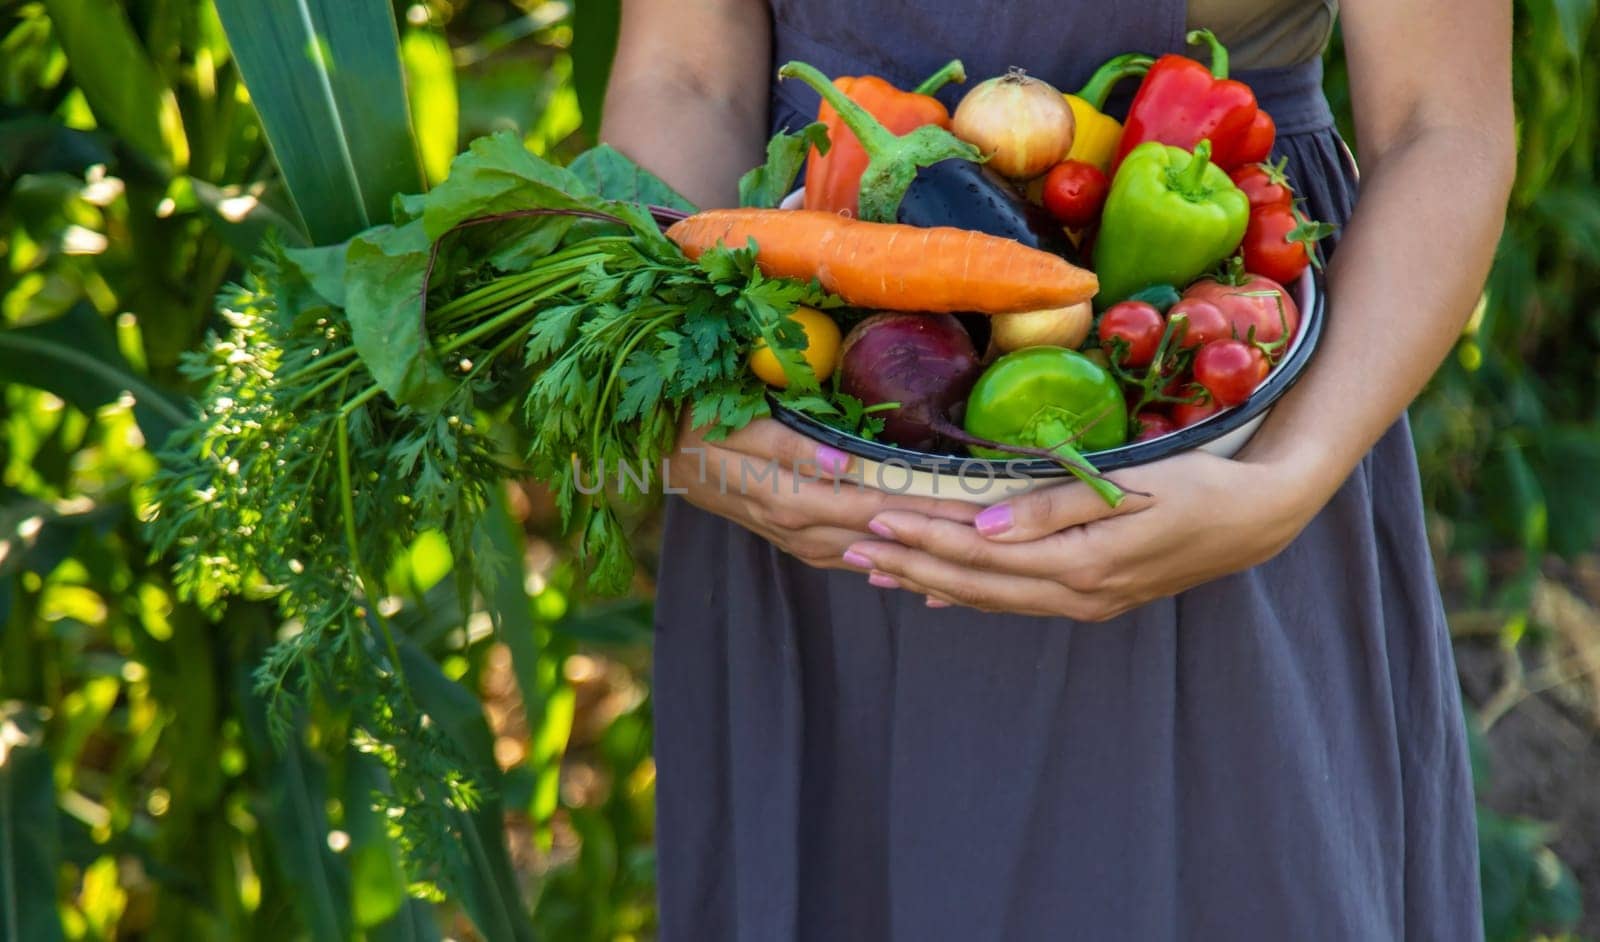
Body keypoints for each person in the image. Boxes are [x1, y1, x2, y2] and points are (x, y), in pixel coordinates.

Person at [601, 0, 1514, 937]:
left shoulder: (1247, 448)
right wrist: (684, 389)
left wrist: (1287, 476)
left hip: (1206, 418)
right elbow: (686, 77)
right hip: (807, 384)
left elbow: (1439, 125)